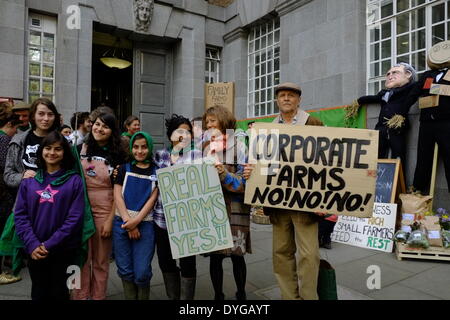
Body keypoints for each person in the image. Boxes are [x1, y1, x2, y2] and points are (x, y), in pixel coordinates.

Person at [243, 82, 323, 300]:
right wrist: (252, 170)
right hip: (278, 202)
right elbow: (261, 163)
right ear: (277, 101)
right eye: (282, 95)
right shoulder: (266, 129)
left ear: (298, 100)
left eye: (291, 95)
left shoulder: (313, 123)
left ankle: (309, 297)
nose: (286, 98)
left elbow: (326, 161)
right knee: (281, 253)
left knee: (309, 254)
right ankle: (289, 296)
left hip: (306, 201)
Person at [14, 131, 85, 300]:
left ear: (64, 153)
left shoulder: (74, 181)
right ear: (41, 151)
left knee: (61, 292)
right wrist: (32, 244)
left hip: (64, 250)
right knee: (39, 291)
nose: (52, 153)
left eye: (58, 149)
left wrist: (50, 244)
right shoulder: (29, 181)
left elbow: (74, 219)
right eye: (48, 148)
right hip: (35, 249)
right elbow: (20, 215)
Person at [72, 112, 127, 300]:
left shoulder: (119, 156)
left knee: (101, 261)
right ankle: (78, 296)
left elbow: (120, 191)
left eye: (105, 126)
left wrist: (111, 220)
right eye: (96, 124)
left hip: (106, 211)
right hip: (79, 211)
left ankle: (98, 296)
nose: (99, 129)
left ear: (112, 131)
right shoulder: (79, 149)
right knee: (79, 258)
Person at [203, 105, 251, 301]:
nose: (208, 125)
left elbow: (243, 183)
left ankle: (241, 294)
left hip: (236, 209)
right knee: (215, 257)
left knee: (237, 255)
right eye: (207, 122)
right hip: (213, 209)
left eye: (212, 120)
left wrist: (222, 173)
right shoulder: (204, 148)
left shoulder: (239, 146)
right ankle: (218, 296)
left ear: (223, 121)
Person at [153, 114, 201, 300]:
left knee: (188, 264)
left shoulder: (197, 156)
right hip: (162, 219)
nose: (185, 135)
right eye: (180, 131)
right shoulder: (159, 155)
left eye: (188, 132)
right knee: (166, 262)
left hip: (187, 221)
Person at [113, 131, 158, 300]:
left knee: (142, 271)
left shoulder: (157, 171)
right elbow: (117, 195)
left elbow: (152, 199)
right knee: (125, 269)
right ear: (131, 148)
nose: (140, 151)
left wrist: (136, 221)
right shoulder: (124, 169)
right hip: (121, 223)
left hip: (145, 224)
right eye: (136, 147)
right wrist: (128, 221)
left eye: (144, 147)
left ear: (150, 148)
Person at [401, 44, 450, 195]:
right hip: (427, 122)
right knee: (423, 158)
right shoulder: (427, 75)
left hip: (447, 122)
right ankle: (417, 191)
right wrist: (402, 111)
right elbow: (414, 92)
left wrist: (432, 89)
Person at [349, 63, 417, 167]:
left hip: (396, 128)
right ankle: (376, 179)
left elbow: (423, 88)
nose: (390, 75)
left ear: (408, 74)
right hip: (381, 128)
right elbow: (373, 98)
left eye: (395, 72)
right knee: (377, 155)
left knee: (398, 155)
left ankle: (398, 181)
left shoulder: (411, 89)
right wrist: (358, 101)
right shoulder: (384, 93)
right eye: (388, 73)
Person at [4, 98, 61, 194]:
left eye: (50, 114)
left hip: (54, 198)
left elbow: (70, 173)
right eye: (41, 114)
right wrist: (22, 176)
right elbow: (8, 175)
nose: (46, 119)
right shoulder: (18, 141)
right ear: (33, 116)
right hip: (25, 200)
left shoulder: (62, 142)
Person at [0, 102, 21, 284]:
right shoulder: (4, 141)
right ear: (9, 125)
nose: (16, 133)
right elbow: (5, 168)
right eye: (16, 129)